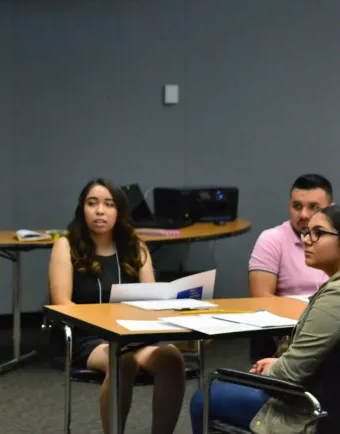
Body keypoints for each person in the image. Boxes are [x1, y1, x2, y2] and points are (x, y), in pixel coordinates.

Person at [48, 178, 186, 434]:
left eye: (108, 204)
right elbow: (62, 303)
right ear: (82, 209)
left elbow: (151, 298)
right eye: (92, 203)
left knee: (171, 358)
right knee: (122, 361)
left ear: (119, 212)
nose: (100, 210)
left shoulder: (136, 247)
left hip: (133, 335)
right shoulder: (65, 246)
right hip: (89, 337)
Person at [190, 205, 340, 434]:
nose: (307, 240)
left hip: (308, 411)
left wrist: (272, 370)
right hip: (321, 398)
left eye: (318, 232)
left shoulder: (335, 297)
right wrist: (277, 363)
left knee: (204, 398)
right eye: (306, 232)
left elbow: (289, 375)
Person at [249, 174, 332, 298]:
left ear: (331, 209)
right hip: (289, 316)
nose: (303, 215)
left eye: (313, 207)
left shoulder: (337, 239)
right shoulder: (272, 239)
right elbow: (260, 298)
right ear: (289, 206)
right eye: (297, 206)